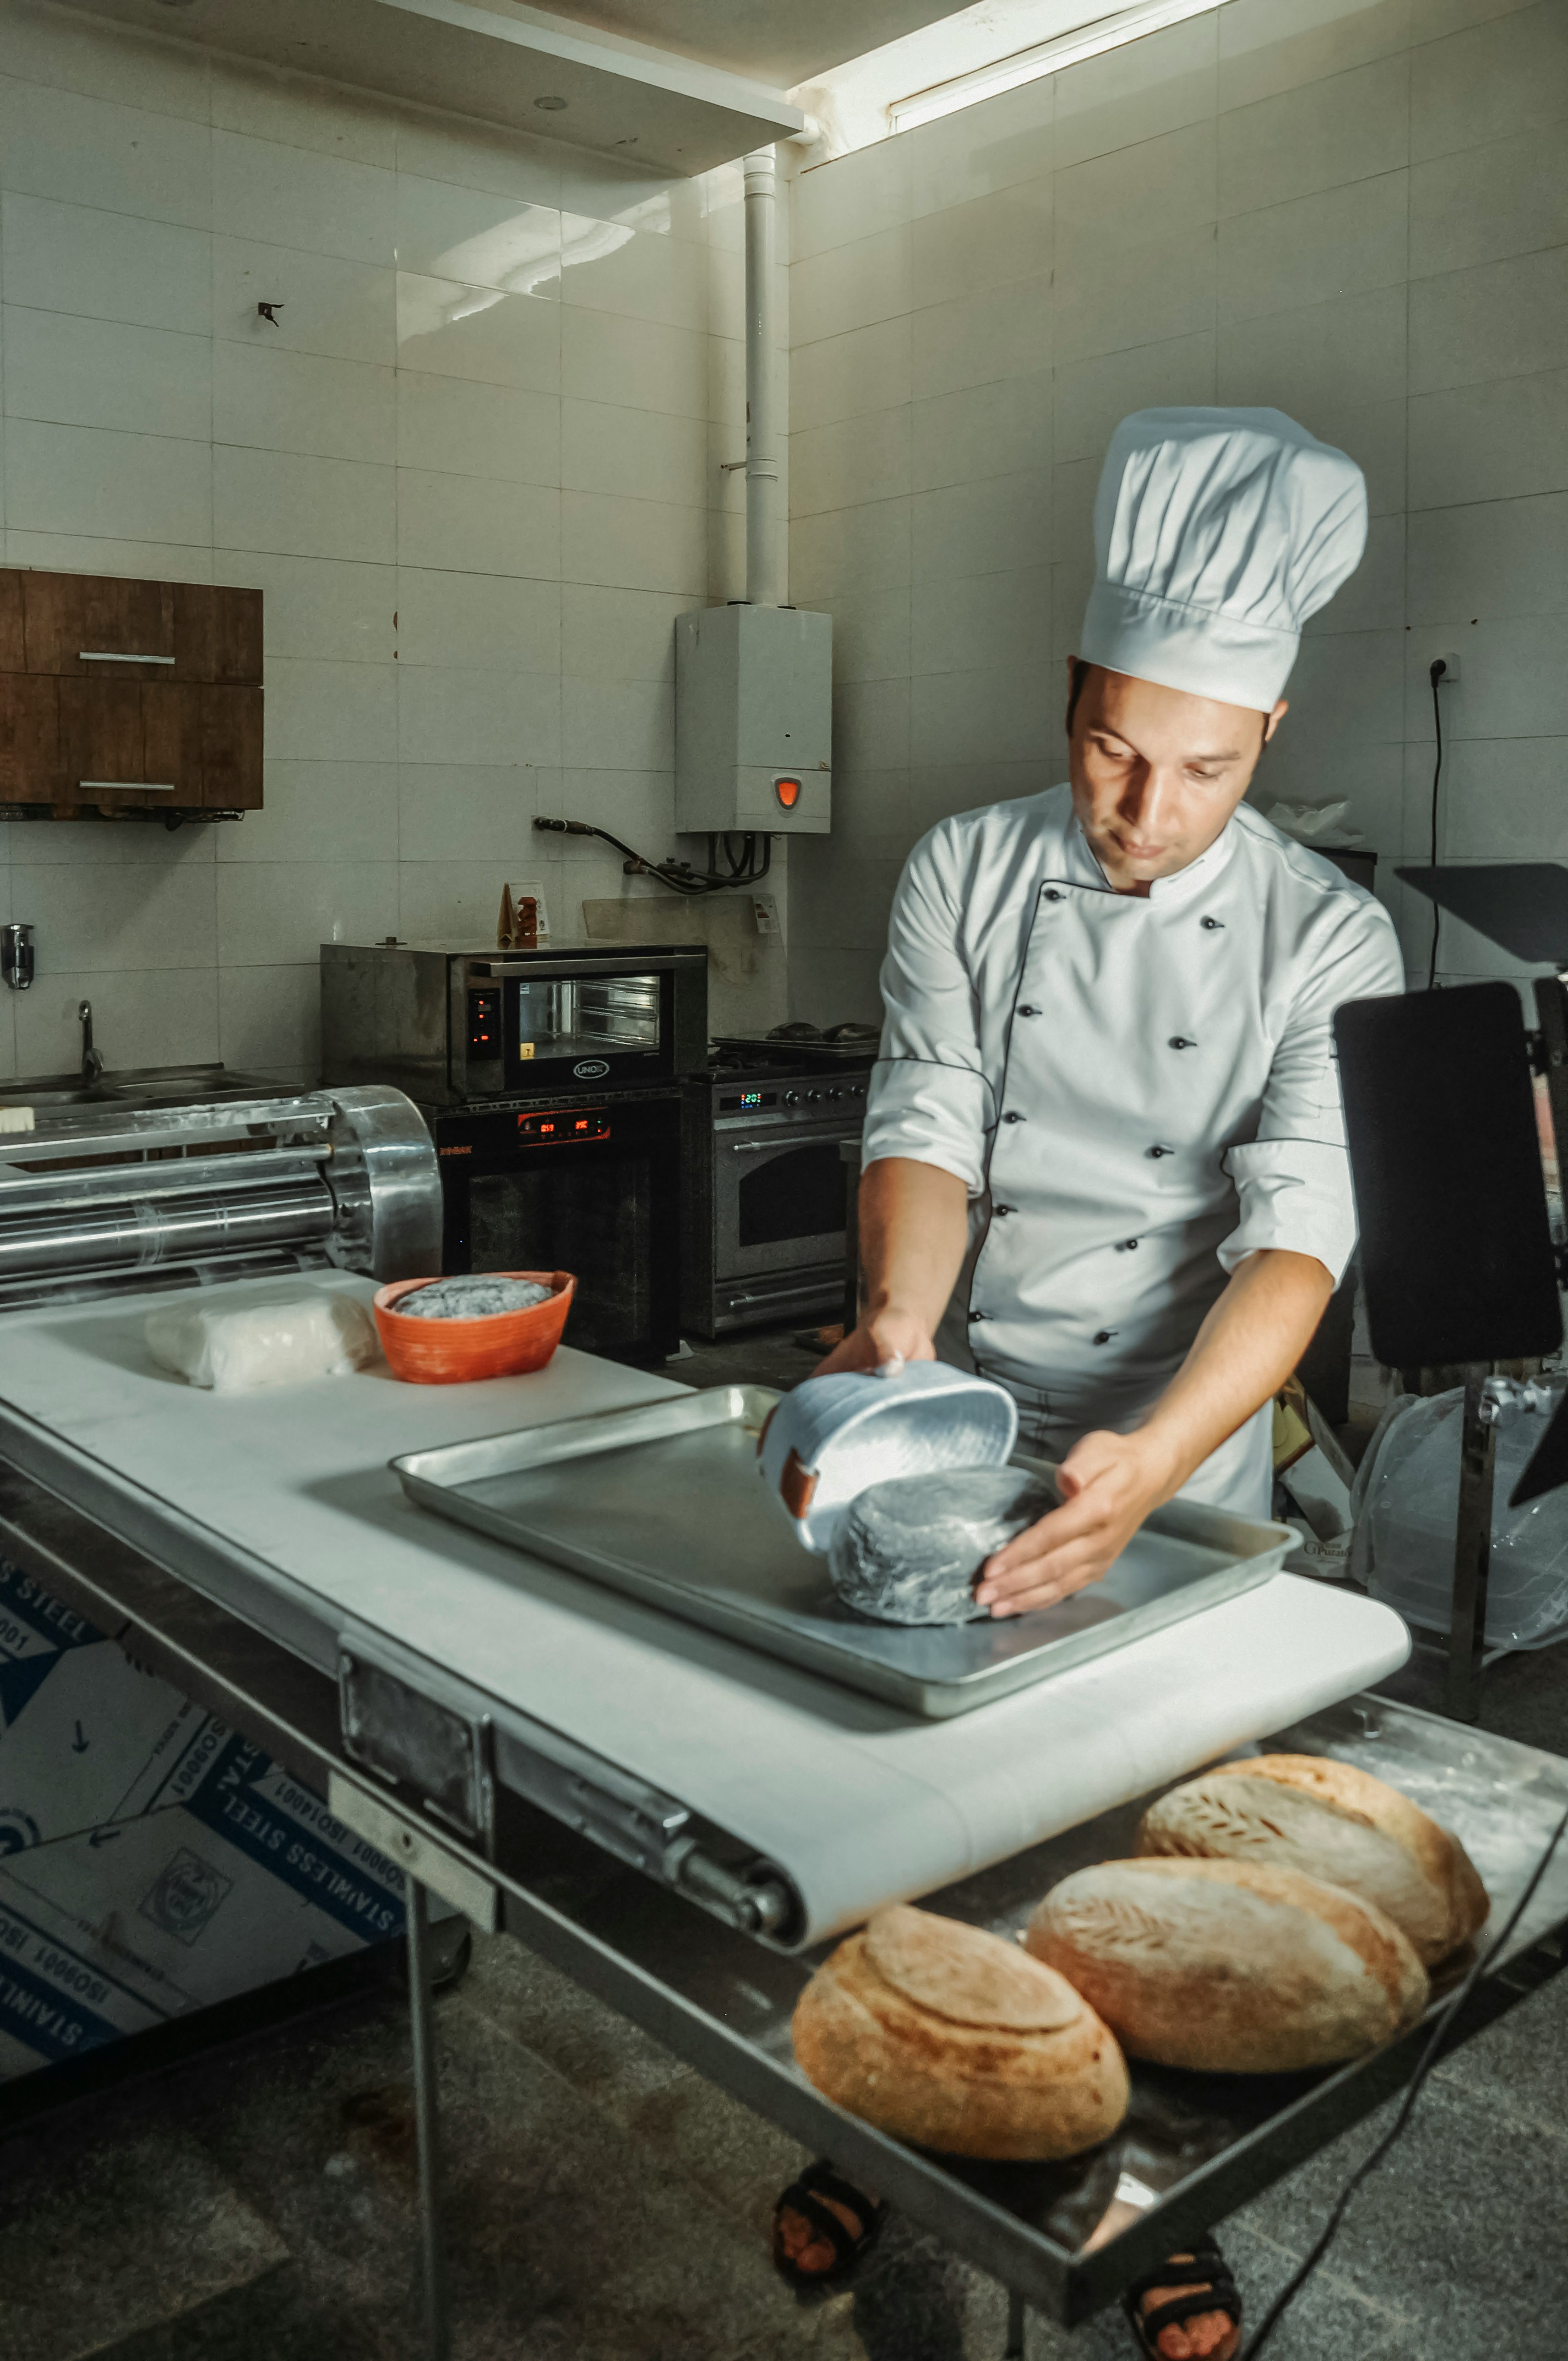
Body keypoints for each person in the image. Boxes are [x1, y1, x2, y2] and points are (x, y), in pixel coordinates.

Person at [772, 407, 1404, 2361]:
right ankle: (894, 2114)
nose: (1146, 804)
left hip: (1198, 1450)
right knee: (939, 1813)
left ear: (1268, 744)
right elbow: (934, 1115)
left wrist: (1155, 1465)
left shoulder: (1329, 935)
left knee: (1163, 1854)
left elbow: (1298, 1237)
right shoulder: (970, 867)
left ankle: (1159, 2204)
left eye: (1204, 767)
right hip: (976, 1409)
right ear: (1073, 696)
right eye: (1116, 747)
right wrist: (898, 1330)